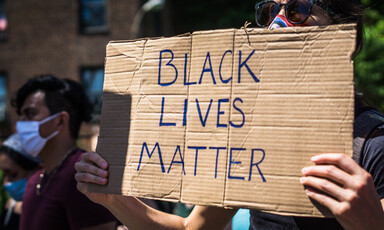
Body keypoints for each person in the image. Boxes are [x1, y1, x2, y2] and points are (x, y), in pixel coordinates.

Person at [74, 0, 384, 229]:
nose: (276, 24)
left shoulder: (374, 142)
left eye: (297, 11)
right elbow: (192, 227)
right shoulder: (245, 134)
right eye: (268, 12)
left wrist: (370, 223)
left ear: (348, 34)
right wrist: (113, 197)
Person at [12, 75, 118, 230]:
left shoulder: (85, 176)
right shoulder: (35, 181)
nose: (20, 124)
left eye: (30, 114)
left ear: (60, 121)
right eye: (21, 115)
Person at [0, 133, 41, 230]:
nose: (6, 183)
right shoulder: (11, 207)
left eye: (13, 175)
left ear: (37, 170)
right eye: (5, 175)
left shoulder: (49, 210)